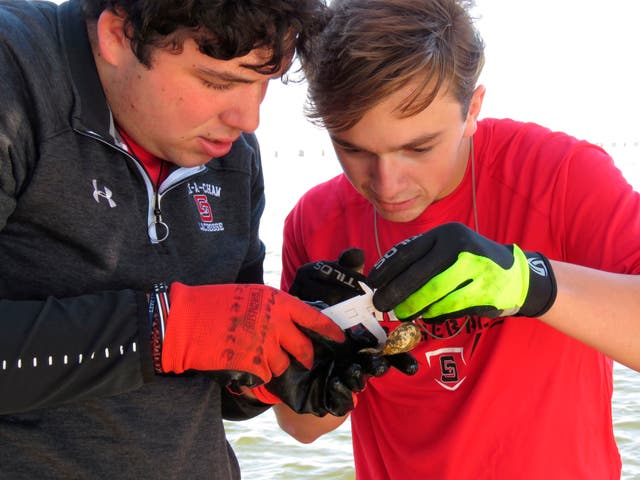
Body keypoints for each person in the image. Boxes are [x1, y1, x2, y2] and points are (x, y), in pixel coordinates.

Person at [0, 0, 416, 477]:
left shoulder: (233, 157)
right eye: (219, 82)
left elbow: (212, 392)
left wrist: (279, 361)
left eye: (264, 81)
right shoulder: (15, 72)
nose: (248, 118)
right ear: (117, 35)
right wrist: (167, 329)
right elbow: (180, 337)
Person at [274, 0, 640, 478]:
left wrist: (531, 284)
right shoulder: (314, 222)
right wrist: (322, 361)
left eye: (418, 147)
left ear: (473, 109)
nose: (387, 183)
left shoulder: (561, 175)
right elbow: (301, 428)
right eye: (353, 148)